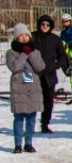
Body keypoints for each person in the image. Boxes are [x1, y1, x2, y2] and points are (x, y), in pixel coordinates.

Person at [6, 24, 45, 154]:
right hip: (19, 89)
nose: (24, 38)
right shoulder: (11, 52)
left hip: (32, 88)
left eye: (26, 35)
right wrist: (24, 54)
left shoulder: (36, 51)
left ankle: (29, 143)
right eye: (21, 35)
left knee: (31, 119)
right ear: (16, 37)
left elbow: (39, 67)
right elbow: (15, 67)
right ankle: (18, 144)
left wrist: (31, 53)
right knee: (18, 118)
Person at [31, 14, 69, 134]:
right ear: (39, 25)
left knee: (48, 101)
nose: (45, 26)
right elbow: (21, 49)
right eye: (42, 24)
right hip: (32, 74)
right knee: (31, 101)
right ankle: (29, 125)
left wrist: (56, 65)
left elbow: (62, 56)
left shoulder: (55, 39)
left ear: (51, 26)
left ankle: (45, 124)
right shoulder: (32, 37)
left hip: (49, 74)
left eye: (47, 24)